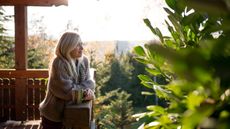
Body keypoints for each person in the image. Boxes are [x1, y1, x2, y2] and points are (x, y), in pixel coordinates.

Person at [39, 32, 95, 129]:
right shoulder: (59, 63)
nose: (82, 48)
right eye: (78, 45)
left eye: (82, 44)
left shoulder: (84, 60)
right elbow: (68, 92)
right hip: (54, 116)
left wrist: (84, 89)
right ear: (68, 46)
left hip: (73, 113)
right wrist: (86, 94)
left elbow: (90, 83)